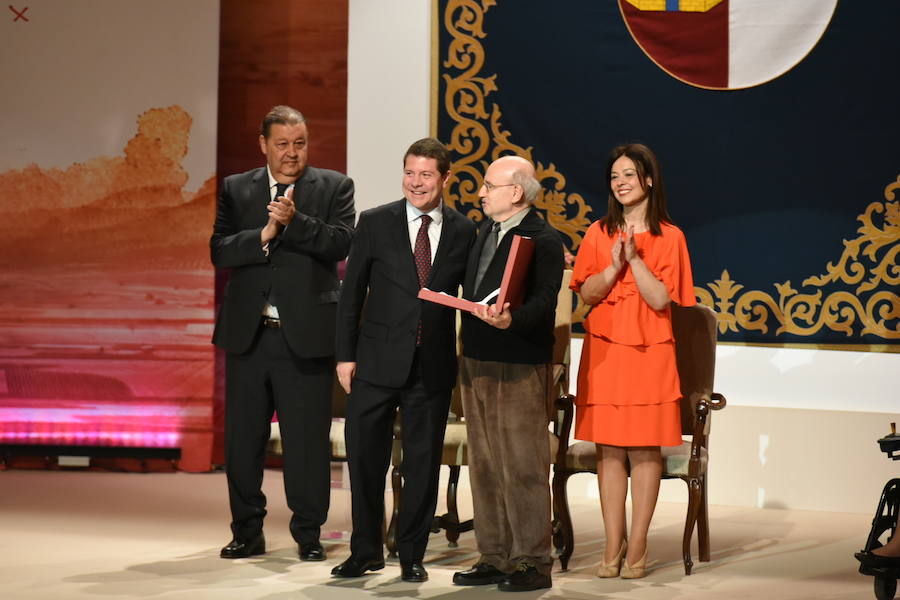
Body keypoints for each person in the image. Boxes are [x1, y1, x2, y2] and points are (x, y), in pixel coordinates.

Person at [210, 105, 355, 561]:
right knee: (244, 441)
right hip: (249, 337)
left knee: (307, 443)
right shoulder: (237, 188)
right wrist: (266, 232)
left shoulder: (334, 186)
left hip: (307, 336)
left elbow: (341, 243)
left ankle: (308, 535)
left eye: (299, 144)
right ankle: (246, 531)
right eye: (282, 144)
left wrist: (296, 222)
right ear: (263, 145)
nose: (292, 153)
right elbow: (220, 250)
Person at [332, 137, 476, 582]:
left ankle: (411, 554)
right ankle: (365, 551)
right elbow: (351, 293)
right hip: (374, 363)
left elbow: (471, 295)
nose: (416, 182)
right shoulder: (375, 222)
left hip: (430, 366)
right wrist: (344, 356)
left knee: (422, 464)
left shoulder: (463, 230)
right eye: (410, 173)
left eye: (426, 174)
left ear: (445, 179)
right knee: (365, 460)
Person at [570, 143, 695, 579]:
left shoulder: (671, 236)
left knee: (644, 450)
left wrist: (634, 261)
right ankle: (611, 545)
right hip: (605, 350)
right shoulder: (596, 232)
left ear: (648, 180)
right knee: (608, 452)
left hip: (650, 351)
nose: (620, 183)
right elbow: (586, 293)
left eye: (628, 175)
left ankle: (638, 545)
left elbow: (662, 297)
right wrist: (611, 267)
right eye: (614, 177)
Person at [451, 155, 564, 593]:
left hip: (518, 364)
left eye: (488, 185)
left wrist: (511, 321)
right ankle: (494, 555)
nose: (480, 192)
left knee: (522, 466)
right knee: (484, 465)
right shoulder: (485, 233)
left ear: (516, 192)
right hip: (477, 359)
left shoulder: (543, 239)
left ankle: (532, 561)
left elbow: (544, 304)